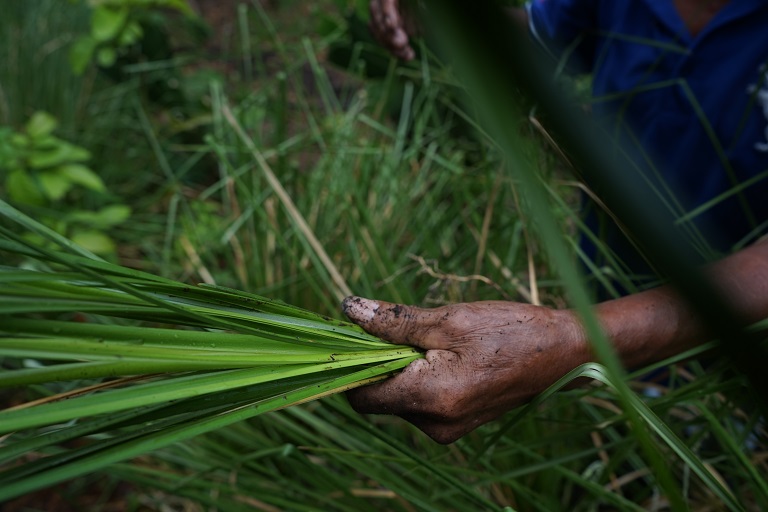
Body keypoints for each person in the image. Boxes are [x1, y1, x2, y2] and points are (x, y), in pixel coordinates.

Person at [342, 0, 768, 444]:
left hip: (746, 338)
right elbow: (540, 40)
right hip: (608, 277)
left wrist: (572, 341)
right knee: (618, 445)